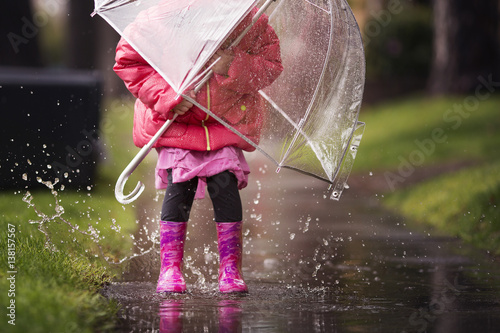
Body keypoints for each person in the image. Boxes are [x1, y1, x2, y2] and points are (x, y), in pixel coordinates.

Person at [114, 5, 283, 293]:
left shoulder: (249, 21)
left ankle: (230, 269)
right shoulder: (158, 20)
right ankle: (170, 268)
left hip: (223, 122)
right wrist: (167, 97)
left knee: (225, 183)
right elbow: (131, 63)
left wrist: (232, 64)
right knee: (180, 186)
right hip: (179, 123)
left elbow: (270, 66)